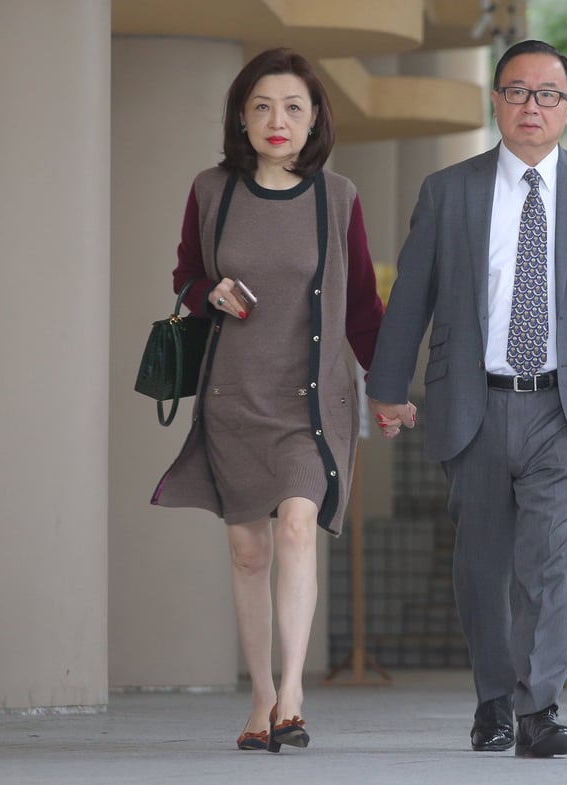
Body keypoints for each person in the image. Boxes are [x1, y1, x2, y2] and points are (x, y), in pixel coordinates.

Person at [365, 40, 567, 758]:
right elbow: (411, 299)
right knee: (482, 564)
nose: (532, 105)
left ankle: (539, 707)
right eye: (517, 91)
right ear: (495, 101)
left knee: (553, 560)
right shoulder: (448, 189)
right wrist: (387, 387)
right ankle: (494, 696)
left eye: (547, 94)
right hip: (476, 402)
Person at [150, 48, 391, 752]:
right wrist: (209, 292)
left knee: (295, 527)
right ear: (242, 118)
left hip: (311, 403)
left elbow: (364, 308)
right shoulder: (211, 190)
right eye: (261, 106)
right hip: (233, 395)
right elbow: (187, 276)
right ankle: (260, 694)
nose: (276, 120)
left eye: (292, 107)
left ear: (315, 117)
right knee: (248, 549)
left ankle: (292, 689)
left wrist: (387, 389)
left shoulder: (337, 197)